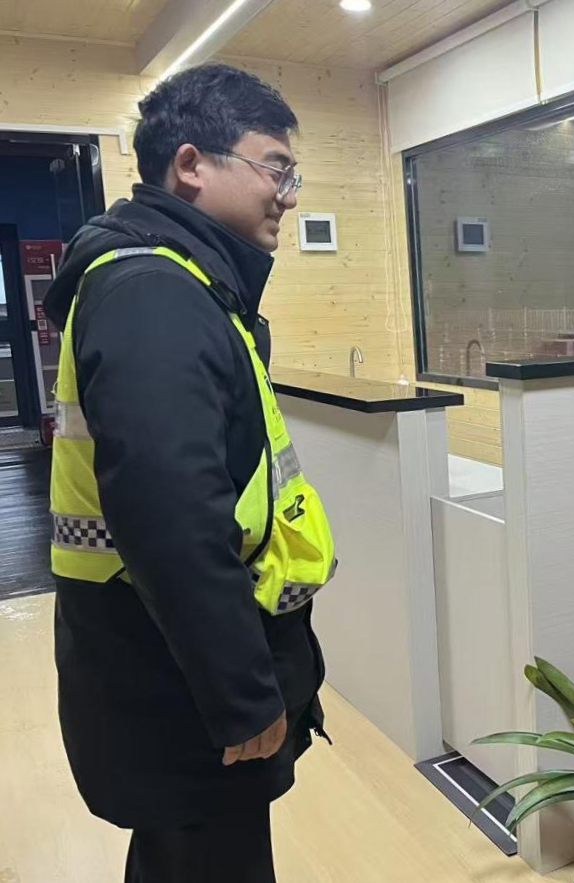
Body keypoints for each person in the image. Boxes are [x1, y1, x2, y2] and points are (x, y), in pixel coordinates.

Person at [45, 64, 337, 883]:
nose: (287, 195)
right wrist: (241, 696)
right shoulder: (154, 293)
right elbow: (171, 519)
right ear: (191, 165)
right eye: (275, 168)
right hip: (177, 690)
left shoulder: (179, 283)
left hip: (162, 675)